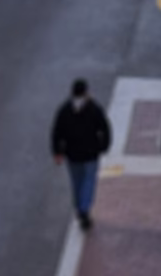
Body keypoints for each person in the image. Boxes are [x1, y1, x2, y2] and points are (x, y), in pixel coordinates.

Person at [51, 79, 111, 230]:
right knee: (89, 181)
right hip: (91, 153)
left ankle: (79, 208)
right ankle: (84, 209)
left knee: (76, 183)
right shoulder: (93, 108)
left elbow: (57, 132)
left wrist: (57, 152)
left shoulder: (64, 110)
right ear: (85, 92)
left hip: (72, 154)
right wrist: (104, 146)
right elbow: (104, 127)